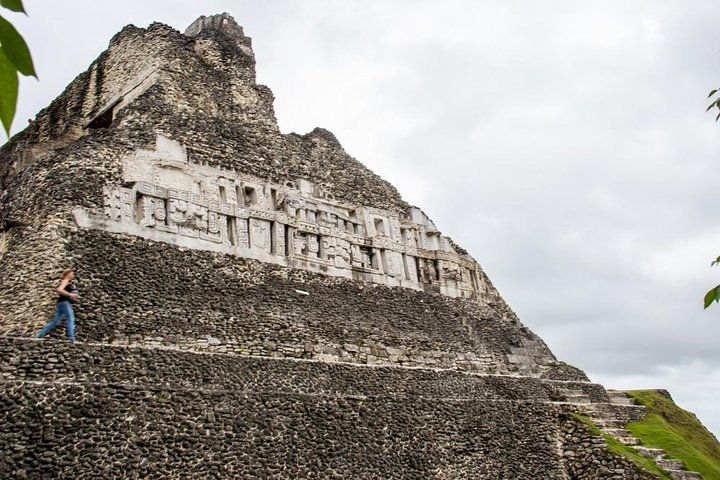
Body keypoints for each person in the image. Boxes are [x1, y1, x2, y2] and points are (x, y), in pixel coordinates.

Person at [37, 269, 79, 342]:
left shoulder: (67, 282)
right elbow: (59, 290)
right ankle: (71, 338)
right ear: (67, 274)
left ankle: (40, 334)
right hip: (65, 303)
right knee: (70, 319)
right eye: (71, 273)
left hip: (61, 302)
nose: (73, 275)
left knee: (55, 321)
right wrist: (70, 294)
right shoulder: (65, 281)